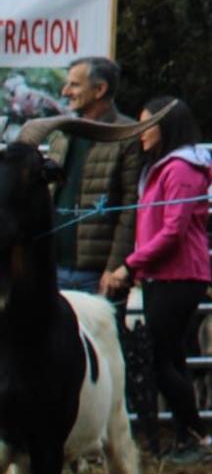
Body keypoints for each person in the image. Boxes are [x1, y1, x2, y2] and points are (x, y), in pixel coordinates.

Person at [103, 96, 212, 463]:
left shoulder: (180, 170)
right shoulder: (164, 167)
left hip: (178, 275)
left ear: (164, 127)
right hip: (165, 274)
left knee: (161, 360)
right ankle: (190, 438)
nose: (139, 134)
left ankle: (201, 438)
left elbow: (173, 231)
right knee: (170, 357)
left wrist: (129, 266)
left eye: (145, 125)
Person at [22, 56, 143, 295]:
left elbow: (131, 206)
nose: (66, 91)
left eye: (75, 85)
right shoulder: (62, 133)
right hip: (51, 267)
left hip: (96, 275)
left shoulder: (125, 135)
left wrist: (115, 267)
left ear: (100, 89)